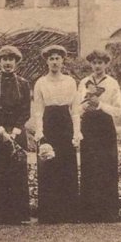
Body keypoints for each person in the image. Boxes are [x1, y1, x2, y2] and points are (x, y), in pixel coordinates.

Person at [33, 45, 82, 224]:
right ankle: (49, 213)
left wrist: (76, 132)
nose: (54, 62)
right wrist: (40, 132)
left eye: (57, 58)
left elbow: (75, 109)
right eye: (51, 58)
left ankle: (68, 213)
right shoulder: (40, 82)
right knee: (49, 166)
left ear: (63, 61)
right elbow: (38, 110)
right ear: (47, 61)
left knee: (66, 165)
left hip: (65, 124)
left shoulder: (70, 81)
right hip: (49, 123)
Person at [0, 45, 31, 224]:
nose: (7, 63)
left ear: (16, 62)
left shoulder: (24, 84)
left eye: (11, 59)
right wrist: (1, 130)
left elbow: (26, 110)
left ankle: (18, 215)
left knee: (17, 171)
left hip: (17, 132)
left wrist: (16, 130)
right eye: (4, 59)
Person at [77, 49, 121, 222]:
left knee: (106, 165)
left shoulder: (112, 83)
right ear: (91, 64)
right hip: (88, 126)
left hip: (105, 127)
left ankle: (108, 212)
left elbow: (118, 111)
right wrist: (85, 108)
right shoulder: (83, 82)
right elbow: (77, 106)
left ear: (106, 64)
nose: (97, 66)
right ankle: (89, 212)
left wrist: (100, 104)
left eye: (100, 62)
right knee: (89, 165)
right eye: (94, 63)